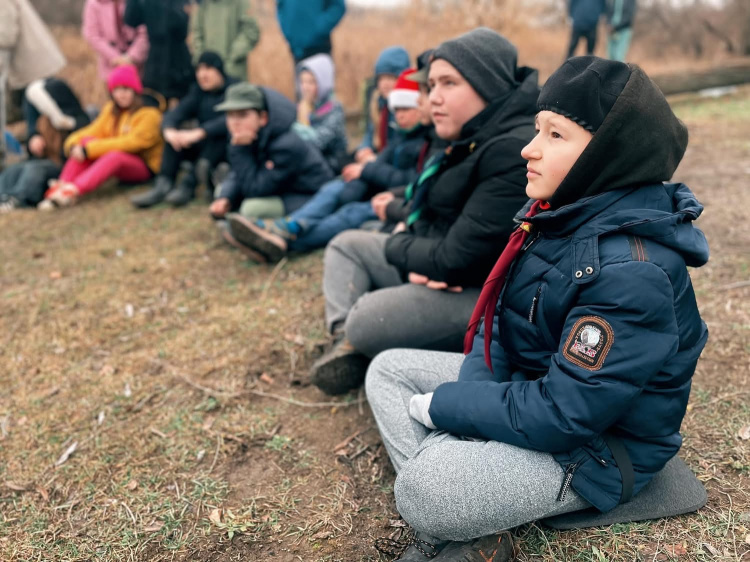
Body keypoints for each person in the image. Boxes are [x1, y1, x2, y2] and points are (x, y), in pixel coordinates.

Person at [365, 56, 708, 561]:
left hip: (595, 449)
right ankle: (476, 526)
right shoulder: (554, 218)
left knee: (424, 490)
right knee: (388, 370)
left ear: (606, 155)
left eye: (555, 135)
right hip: (529, 391)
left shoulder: (634, 272)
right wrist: (469, 406)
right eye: (536, 129)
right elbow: (498, 328)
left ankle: (456, 510)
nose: (530, 148)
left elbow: (567, 413)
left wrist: (448, 410)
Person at [311, 28, 538, 395]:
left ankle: (357, 334)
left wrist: (401, 242)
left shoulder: (510, 150)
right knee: (345, 244)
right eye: (431, 85)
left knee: (368, 318)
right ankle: (345, 344)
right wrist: (413, 243)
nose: (433, 97)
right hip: (435, 258)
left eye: (449, 83)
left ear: (488, 84)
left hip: (481, 297)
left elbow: (454, 260)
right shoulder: (469, 134)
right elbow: (438, 215)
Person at [225, 67, 435, 262]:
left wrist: (368, 170)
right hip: (368, 187)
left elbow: (411, 179)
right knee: (333, 190)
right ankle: (287, 226)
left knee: (349, 212)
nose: (399, 115)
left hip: (387, 196)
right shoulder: (401, 137)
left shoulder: (425, 143)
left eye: (407, 108)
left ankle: (284, 242)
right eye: (396, 109)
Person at [209, 83, 333, 247]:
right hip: (276, 189)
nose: (235, 122)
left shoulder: (285, 145)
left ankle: (250, 229)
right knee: (222, 191)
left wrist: (238, 150)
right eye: (230, 115)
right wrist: (226, 196)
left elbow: (256, 189)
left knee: (251, 208)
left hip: (307, 196)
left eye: (243, 115)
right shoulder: (251, 136)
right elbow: (239, 172)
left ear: (263, 118)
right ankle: (239, 224)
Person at [38, 65, 163, 209]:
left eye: (125, 89)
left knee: (113, 155)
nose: (121, 95)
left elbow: (131, 143)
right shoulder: (112, 110)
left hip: (145, 166)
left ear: (135, 91)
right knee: (85, 142)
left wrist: (89, 150)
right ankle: (63, 185)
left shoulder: (150, 114)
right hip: (119, 159)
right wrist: (73, 143)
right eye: (116, 90)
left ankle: (73, 190)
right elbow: (94, 130)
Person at [131, 51, 236, 208]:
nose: (202, 75)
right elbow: (177, 113)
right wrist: (169, 130)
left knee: (217, 137)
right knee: (175, 136)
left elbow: (231, 120)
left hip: (226, 147)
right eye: (199, 70)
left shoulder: (235, 89)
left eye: (208, 69)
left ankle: (188, 184)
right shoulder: (198, 91)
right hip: (201, 143)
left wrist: (200, 132)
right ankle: (163, 184)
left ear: (219, 70)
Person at [0, 78, 90, 211]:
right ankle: (3, 196)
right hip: (41, 159)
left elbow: (80, 133)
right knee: (13, 170)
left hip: (61, 163)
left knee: (35, 169)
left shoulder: (77, 119)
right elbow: (32, 128)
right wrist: (33, 138)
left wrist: (64, 124)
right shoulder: (40, 122)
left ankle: (19, 198)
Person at [0, 0, 66, 168]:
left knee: (37, 118)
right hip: (26, 67)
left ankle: (47, 159)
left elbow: (5, 36)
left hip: (33, 67)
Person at [124, 0, 194, 104]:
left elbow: (179, 23)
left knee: (182, 101)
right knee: (151, 100)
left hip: (178, 58)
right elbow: (131, 19)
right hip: (155, 60)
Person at [293, 53, 347, 174]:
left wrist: (302, 122)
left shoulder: (334, 109)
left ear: (323, 83)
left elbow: (317, 142)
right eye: (302, 82)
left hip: (332, 165)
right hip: (310, 164)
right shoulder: (301, 107)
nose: (305, 87)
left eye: (311, 82)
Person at [355, 46, 410, 164]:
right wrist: (365, 148)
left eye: (390, 78)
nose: (384, 84)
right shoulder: (378, 103)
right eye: (381, 79)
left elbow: (397, 143)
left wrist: (377, 160)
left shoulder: (405, 109)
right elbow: (370, 132)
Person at [190, 0, 260, 81]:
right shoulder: (203, 4)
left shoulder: (240, 3)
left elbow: (251, 32)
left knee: (234, 87)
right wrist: (203, 61)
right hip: (208, 71)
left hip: (233, 68)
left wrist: (233, 55)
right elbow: (196, 33)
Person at [82, 0, 149, 82]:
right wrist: (115, 58)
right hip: (110, 67)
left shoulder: (137, 2)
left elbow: (145, 32)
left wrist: (132, 57)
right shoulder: (94, 3)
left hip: (139, 67)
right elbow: (93, 35)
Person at [276, 0, 346, 64]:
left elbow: (338, 7)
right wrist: (289, 33)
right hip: (296, 49)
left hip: (318, 49)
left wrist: (318, 30)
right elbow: (280, 8)